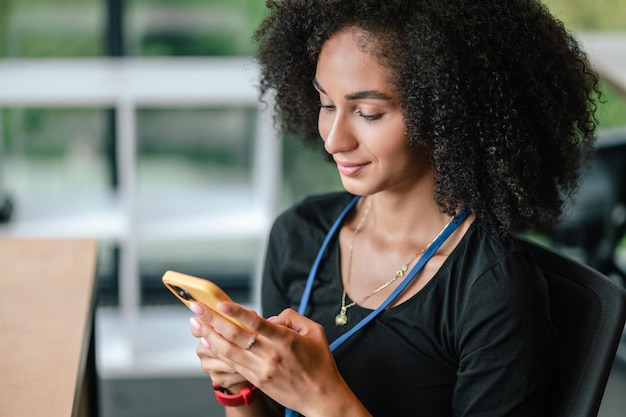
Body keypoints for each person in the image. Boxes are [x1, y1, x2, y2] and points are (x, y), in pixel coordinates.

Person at [188, 0, 599, 416]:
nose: (333, 140)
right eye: (326, 104)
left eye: (368, 113)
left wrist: (323, 397)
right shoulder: (299, 234)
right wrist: (239, 390)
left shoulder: (493, 291)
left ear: (446, 115)